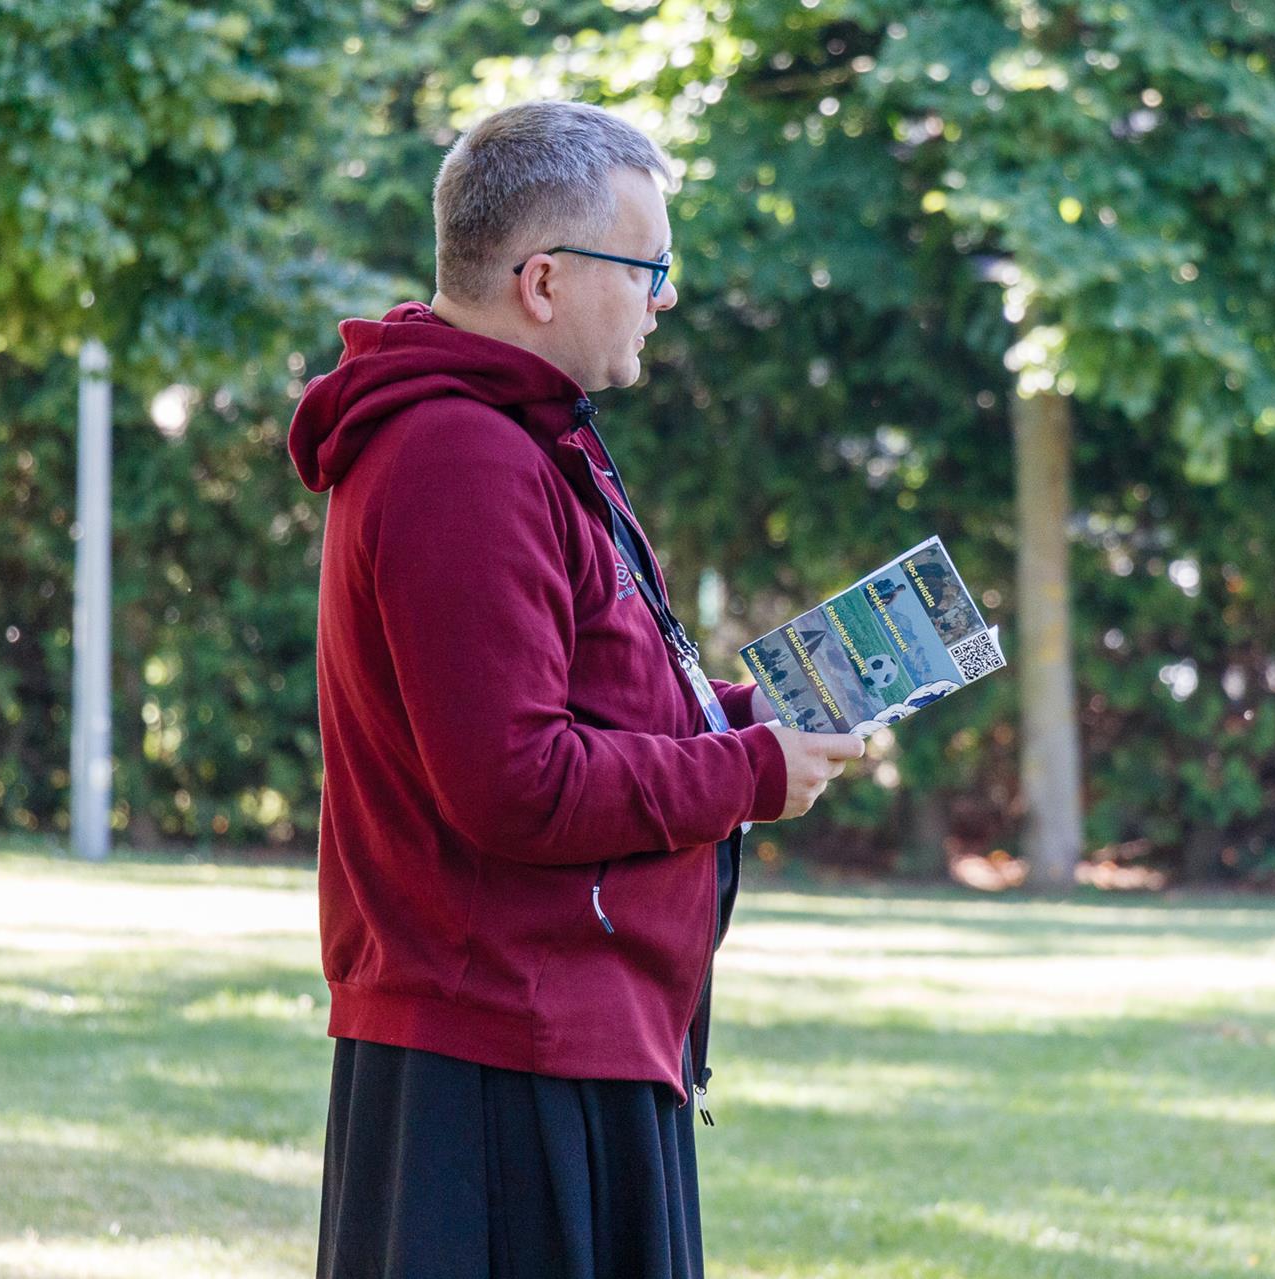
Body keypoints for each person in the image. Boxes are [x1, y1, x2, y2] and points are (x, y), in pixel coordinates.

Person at [286, 99, 865, 1279]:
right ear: (543, 280)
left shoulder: (521, 435)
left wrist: (751, 717)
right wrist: (750, 774)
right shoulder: (459, 454)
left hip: (558, 1034)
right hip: (502, 1058)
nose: (666, 296)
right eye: (649, 266)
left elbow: (591, 697)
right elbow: (517, 781)